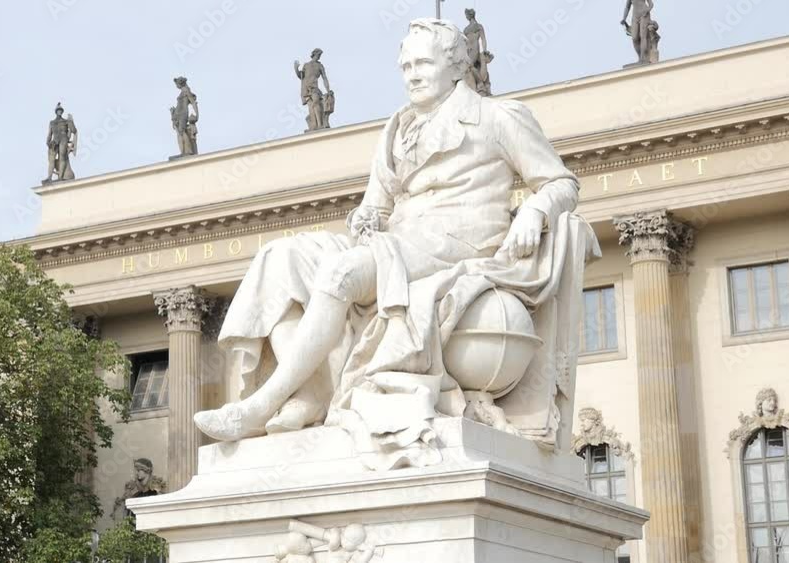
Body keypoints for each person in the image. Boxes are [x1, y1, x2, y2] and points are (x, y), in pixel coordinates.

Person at [194, 19, 581, 453]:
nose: (412, 75)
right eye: (406, 66)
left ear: (456, 66)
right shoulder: (397, 128)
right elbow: (376, 206)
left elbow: (561, 184)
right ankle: (311, 389)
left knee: (341, 273)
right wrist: (365, 218)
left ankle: (262, 404)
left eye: (424, 64)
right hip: (398, 241)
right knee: (280, 258)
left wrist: (536, 210)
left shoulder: (497, 117)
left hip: (456, 244)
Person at [295, 48, 332, 131]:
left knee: (316, 103)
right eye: (319, 54)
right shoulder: (306, 65)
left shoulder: (320, 66)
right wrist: (296, 69)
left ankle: (320, 124)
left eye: (320, 55)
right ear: (314, 54)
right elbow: (301, 76)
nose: (319, 56)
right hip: (306, 88)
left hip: (314, 88)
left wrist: (328, 90)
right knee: (311, 107)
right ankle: (314, 125)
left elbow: (324, 78)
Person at [42, 103, 77, 183]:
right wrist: (48, 142)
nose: (59, 112)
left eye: (61, 110)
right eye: (58, 110)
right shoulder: (52, 122)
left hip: (63, 139)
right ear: (56, 112)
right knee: (51, 160)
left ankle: (60, 177)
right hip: (54, 141)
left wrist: (71, 122)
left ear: (62, 112)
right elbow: (49, 134)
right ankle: (49, 177)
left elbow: (74, 131)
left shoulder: (66, 121)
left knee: (62, 157)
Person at [171, 76, 199, 156]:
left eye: (176, 84)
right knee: (179, 132)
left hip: (183, 113)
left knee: (182, 131)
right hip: (178, 114)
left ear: (180, 83)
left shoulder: (186, 90)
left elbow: (193, 102)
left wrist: (197, 114)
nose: (176, 86)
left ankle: (188, 151)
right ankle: (183, 151)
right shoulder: (182, 91)